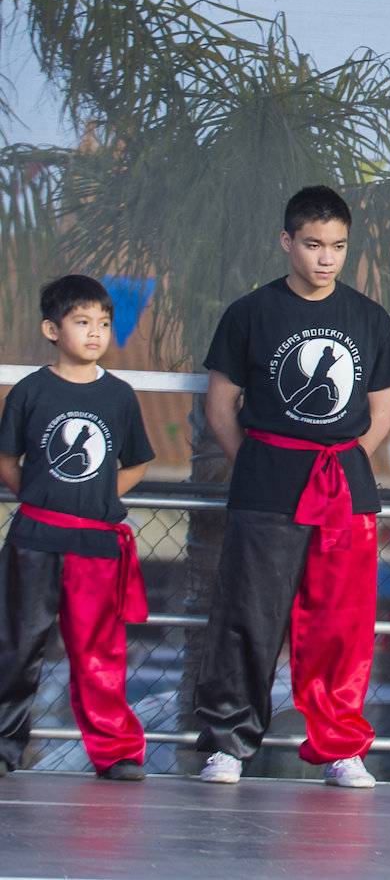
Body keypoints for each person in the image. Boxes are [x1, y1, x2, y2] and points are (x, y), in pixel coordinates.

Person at [192, 186, 390, 788]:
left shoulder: (369, 318)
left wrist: (340, 466)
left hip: (346, 491)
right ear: (287, 242)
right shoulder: (250, 313)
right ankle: (229, 745)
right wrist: (259, 461)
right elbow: (219, 407)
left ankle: (341, 746)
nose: (326, 258)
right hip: (266, 486)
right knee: (248, 616)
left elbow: (382, 413)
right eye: (313, 244)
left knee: (341, 623)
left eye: (337, 246)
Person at [0, 276, 154, 779]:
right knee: (18, 646)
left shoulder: (119, 396)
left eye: (103, 324)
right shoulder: (30, 391)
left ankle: (114, 752)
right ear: (52, 328)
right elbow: (7, 458)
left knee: (99, 652)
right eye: (82, 322)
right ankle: (4, 747)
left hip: (95, 544)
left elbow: (136, 463)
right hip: (35, 539)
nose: (94, 333)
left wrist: (101, 499)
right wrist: (42, 497)